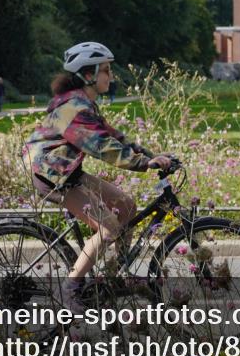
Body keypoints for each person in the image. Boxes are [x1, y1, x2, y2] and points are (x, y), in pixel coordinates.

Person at [23, 42, 173, 312]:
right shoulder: (73, 109)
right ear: (88, 74)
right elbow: (101, 146)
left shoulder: (84, 103)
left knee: (126, 206)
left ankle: (115, 274)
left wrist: (152, 155)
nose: (111, 76)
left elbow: (112, 135)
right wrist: (142, 163)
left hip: (67, 170)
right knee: (108, 228)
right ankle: (70, 290)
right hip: (51, 175)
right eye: (105, 70)